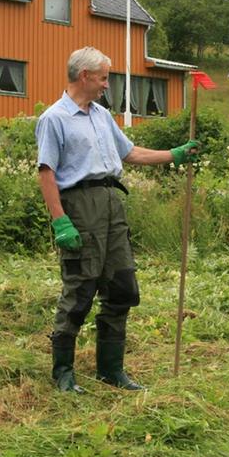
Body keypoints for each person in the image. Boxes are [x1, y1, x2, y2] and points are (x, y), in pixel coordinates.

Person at [35, 46, 200, 393]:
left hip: (112, 204)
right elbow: (46, 172)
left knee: (122, 287)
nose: (107, 85)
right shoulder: (54, 118)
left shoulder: (101, 115)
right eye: (104, 77)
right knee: (80, 289)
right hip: (81, 206)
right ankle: (63, 372)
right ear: (84, 76)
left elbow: (130, 153)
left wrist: (175, 155)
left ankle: (111, 370)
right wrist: (60, 222)